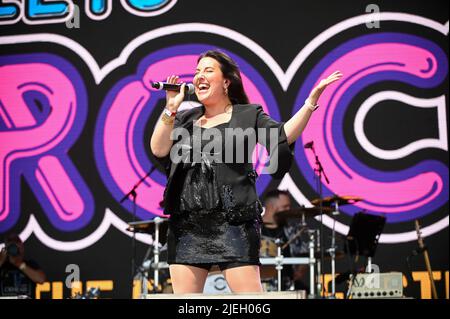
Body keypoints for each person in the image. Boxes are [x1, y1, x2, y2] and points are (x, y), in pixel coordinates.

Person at [150, 49, 342, 293]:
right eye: (197, 71)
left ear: (227, 81)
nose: (200, 75)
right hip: (187, 224)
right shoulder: (185, 118)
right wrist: (170, 108)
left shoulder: (247, 115)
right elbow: (158, 148)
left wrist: (310, 102)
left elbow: (282, 135)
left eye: (208, 70)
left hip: (233, 222)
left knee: (250, 301)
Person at [261, 189, 309, 291]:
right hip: (259, 285)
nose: (288, 210)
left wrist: (300, 270)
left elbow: (304, 254)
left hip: (286, 285)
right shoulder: (254, 229)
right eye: (285, 207)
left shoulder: (290, 230)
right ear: (271, 207)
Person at [0, 234, 46, 298]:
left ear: (22, 248)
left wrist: (19, 264)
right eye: (10, 246)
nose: (13, 249)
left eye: (16, 245)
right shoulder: (2, 265)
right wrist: (1, 260)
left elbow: (41, 279)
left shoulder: (30, 264)